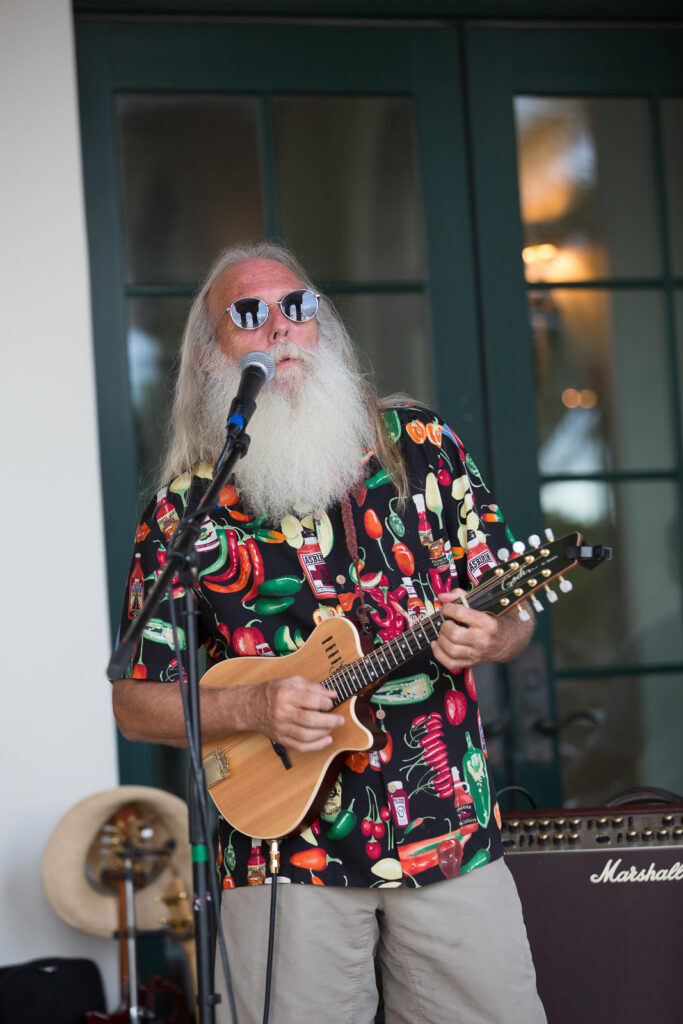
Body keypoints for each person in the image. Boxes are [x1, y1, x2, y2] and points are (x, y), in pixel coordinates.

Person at [113, 241, 547, 1024]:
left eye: (297, 306)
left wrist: (491, 635)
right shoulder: (184, 513)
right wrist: (254, 710)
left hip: (445, 826)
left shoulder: (422, 450)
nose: (280, 328)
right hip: (281, 852)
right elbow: (135, 704)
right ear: (212, 358)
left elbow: (511, 616)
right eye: (248, 314)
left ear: (324, 329)